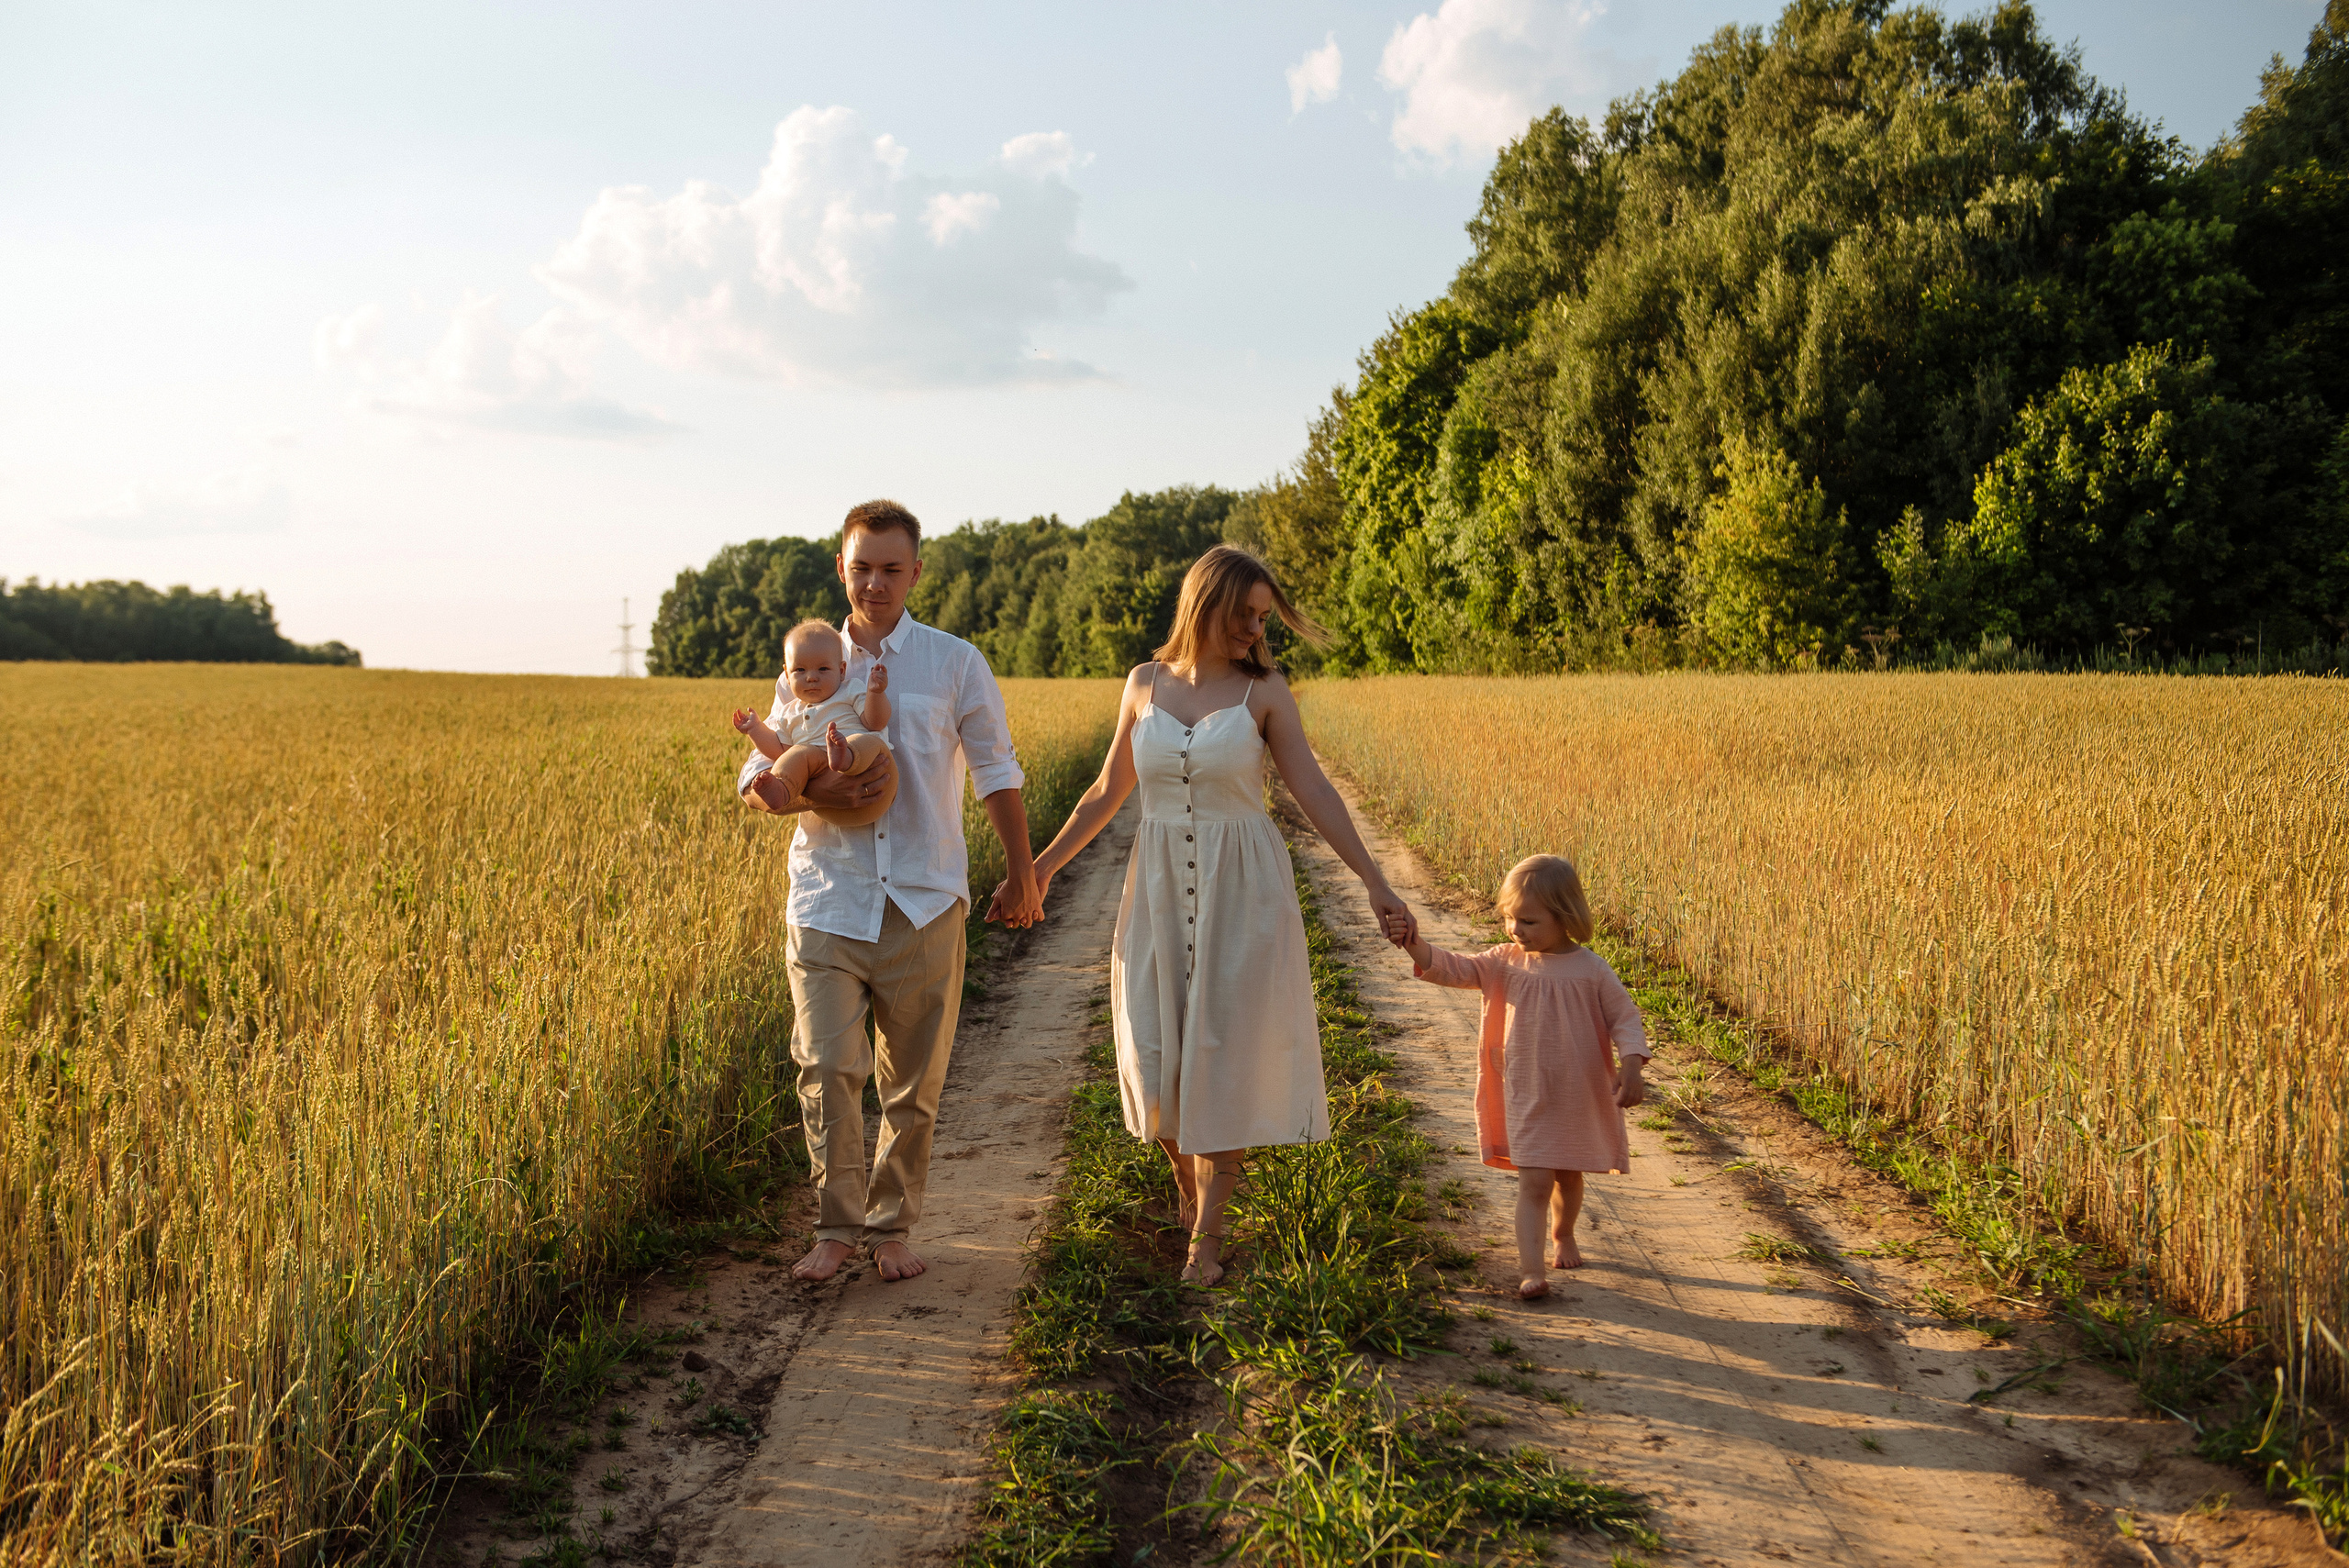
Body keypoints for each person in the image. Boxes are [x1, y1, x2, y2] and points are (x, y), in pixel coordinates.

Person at [1029, 545, 1418, 1286]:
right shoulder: (1143, 684)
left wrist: (1374, 881)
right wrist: (1041, 868)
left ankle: (1206, 1238)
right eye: (1246, 614)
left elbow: (1314, 790)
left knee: (1225, 1053)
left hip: (1245, 892)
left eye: (1264, 617)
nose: (1255, 629)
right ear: (1206, 605)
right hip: (1157, 886)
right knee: (1155, 1045)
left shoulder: (1264, 691)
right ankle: (1187, 1179)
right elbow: (1106, 791)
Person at [738, 499, 1043, 1284]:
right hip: (826, 899)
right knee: (827, 1065)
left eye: (891, 568)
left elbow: (996, 769)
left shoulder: (953, 661)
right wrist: (805, 794)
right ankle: (836, 1228)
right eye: (861, 566)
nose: (875, 582)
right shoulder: (806, 661)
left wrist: (1022, 870)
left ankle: (891, 1225)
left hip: (924, 895)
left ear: (915, 572)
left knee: (912, 1083)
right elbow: (758, 773)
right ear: (841, 568)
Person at [1391, 854, 1649, 1300]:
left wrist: (1631, 1064)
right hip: (1526, 1093)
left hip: (1577, 1094)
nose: (1515, 929)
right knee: (1534, 1181)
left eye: (1528, 920)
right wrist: (1414, 944)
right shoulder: (1505, 962)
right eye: (1509, 918)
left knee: (1569, 1177)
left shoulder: (1591, 969)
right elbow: (1455, 968)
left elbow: (1625, 1018)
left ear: (1566, 917)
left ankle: (1563, 1233)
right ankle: (1532, 1271)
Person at [731, 618, 896, 828]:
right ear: (787, 676)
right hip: (830, 807)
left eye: (823, 669)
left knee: (867, 742)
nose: (811, 677)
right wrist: (755, 729)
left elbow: (875, 722)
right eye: (800, 670)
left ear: (842, 670)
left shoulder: (850, 690)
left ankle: (844, 755)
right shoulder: (788, 713)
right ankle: (782, 789)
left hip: (874, 779)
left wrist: (875, 693)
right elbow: (778, 749)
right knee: (798, 755)